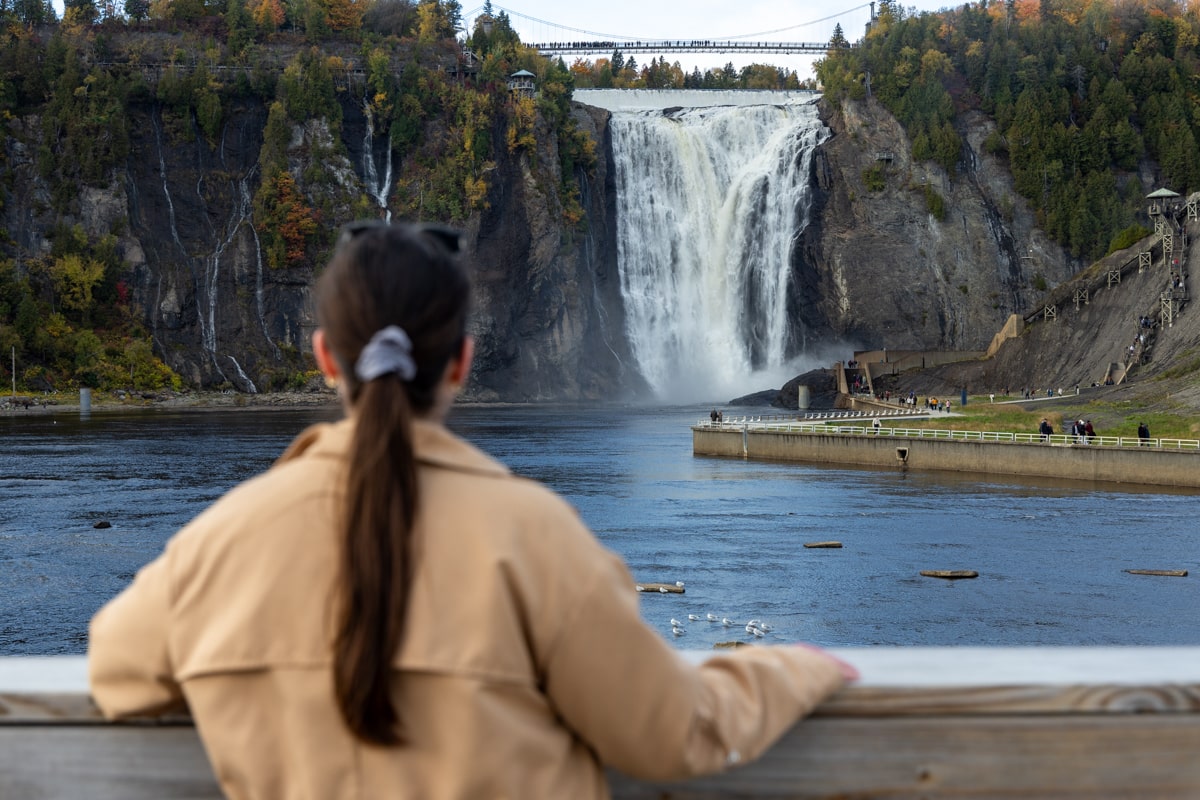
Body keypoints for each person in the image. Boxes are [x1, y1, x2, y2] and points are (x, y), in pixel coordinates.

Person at [87, 221, 855, 800]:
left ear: (326, 359)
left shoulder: (220, 544)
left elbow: (116, 669)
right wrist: (793, 671)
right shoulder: (535, 539)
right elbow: (674, 733)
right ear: (461, 361)